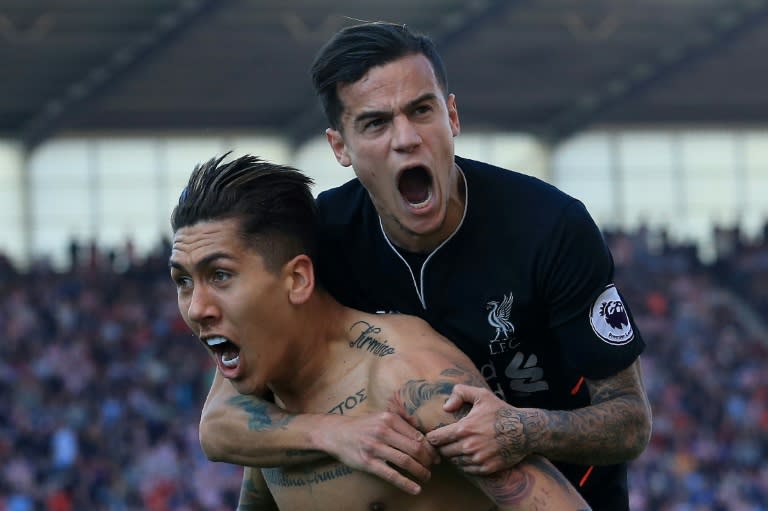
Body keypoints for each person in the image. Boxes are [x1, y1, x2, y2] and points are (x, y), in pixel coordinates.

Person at [198, 22, 652, 510]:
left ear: (451, 115)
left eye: (421, 110)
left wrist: (523, 428)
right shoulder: (319, 238)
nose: (406, 139)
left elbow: (630, 420)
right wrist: (336, 432)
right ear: (340, 147)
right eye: (375, 123)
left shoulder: (551, 227)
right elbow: (226, 420)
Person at [169, 153, 591, 510]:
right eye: (183, 281)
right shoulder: (269, 386)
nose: (196, 308)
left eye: (220, 275)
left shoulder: (405, 375)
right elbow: (219, 434)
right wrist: (332, 433)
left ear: (297, 280)